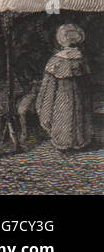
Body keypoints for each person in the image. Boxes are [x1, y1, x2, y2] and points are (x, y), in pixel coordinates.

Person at [35, 22, 93, 154]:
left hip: (61, 96)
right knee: (77, 114)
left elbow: (48, 84)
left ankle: (64, 143)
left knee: (63, 115)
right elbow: (86, 83)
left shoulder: (56, 60)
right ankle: (79, 141)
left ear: (60, 40)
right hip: (79, 96)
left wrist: (44, 101)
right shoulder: (81, 59)